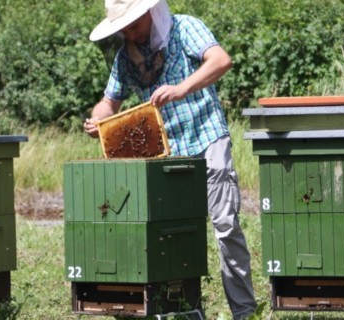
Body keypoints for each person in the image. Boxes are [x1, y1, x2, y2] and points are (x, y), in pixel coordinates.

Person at [82, 0, 257, 318]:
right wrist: (96, 121)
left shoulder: (185, 28)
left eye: (134, 25)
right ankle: (183, 311)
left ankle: (245, 312)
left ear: (150, 14)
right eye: (124, 29)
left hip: (207, 140)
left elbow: (220, 60)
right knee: (170, 236)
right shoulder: (126, 57)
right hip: (165, 158)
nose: (130, 33)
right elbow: (109, 102)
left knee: (225, 227)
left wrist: (180, 88)